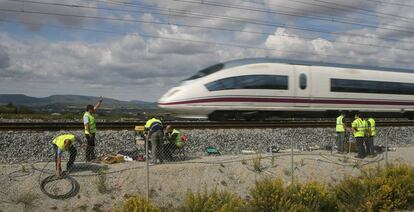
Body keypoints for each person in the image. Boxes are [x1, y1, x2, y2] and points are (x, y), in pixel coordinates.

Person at [83, 96, 102, 162]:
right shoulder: (86, 115)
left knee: (92, 145)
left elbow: (96, 107)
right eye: (92, 109)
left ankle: (93, 157)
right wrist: (90, 133)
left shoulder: (89, 113)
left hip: (92, 132)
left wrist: (100, 102)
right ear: (89, 109)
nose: (93, 110)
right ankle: (88, 158)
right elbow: (86, 125)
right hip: (89, 133)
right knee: (89, 146)